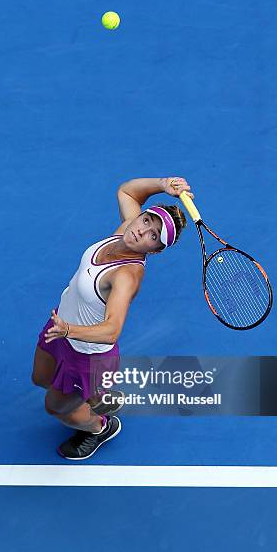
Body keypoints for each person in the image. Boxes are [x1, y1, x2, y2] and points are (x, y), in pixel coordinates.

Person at [31, 176, 193, 460]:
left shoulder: (126, 276)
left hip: (86, 352)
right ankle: (96, 395)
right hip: (63, 331)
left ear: (155, 250)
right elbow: (127, 191)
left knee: (55, 406)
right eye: (146, 221)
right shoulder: (125, 231)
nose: (143, 232)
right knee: (41, 378)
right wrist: (164, 184)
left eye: (154, 236)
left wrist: (68, 329)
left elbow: (112, 330)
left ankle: (100, 426)